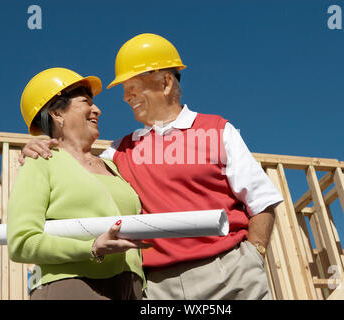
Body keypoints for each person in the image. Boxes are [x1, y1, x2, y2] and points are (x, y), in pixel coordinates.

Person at [20, 34, 284, 300]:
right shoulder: (120, 151)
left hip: (228, 274)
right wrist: (38, 146)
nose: (125, 97)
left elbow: (261, 201)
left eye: (132, 87)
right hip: (158, 287)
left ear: (166, 82)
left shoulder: (217, 131)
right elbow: (77, 165)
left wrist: (255, 254)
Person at [7, 67, 150, 300]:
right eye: (86, 102)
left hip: (130, 287)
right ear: (57, 114)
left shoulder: (112, 167)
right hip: (72, 287)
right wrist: (90, 248)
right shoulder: (41, 161)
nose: (97, 109)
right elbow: (21, 242)